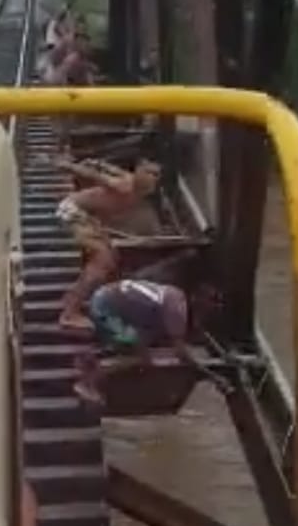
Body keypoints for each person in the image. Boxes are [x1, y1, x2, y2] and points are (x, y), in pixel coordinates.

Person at [73, 275, 222, 405]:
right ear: (197, 301)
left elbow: (197, 330)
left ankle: (89, 356)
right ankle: (90, 382)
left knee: (143, 339)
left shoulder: (176, 295)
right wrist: (213, 375)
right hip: (106, 310)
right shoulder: (177, 311)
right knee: (142, 358)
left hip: (106, 297)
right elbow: (182, 353)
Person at [54, 155, 161, 331]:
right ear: (138, 172)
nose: (153, 178)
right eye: (149, 173)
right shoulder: (126, 185)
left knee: (111, 256)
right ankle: (69, 313)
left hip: (88, 216)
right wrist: (69, 166)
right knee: (102, 259)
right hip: (74, 210)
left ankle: (77, 299)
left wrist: (99, 163)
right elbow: (95, 176)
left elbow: (110, 169)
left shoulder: (134, 188)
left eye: (156, 175)